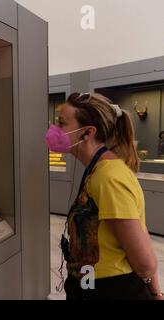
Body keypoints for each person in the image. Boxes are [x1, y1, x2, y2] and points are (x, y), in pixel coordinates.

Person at [46, 92, 163, 300]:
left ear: (87, 133)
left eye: (62, 123)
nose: (54, 129)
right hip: (92, 286)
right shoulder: (98, 170)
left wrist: (155, 292)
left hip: (111, 290)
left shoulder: (109, 177)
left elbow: (145, 264)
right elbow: (140, 231)